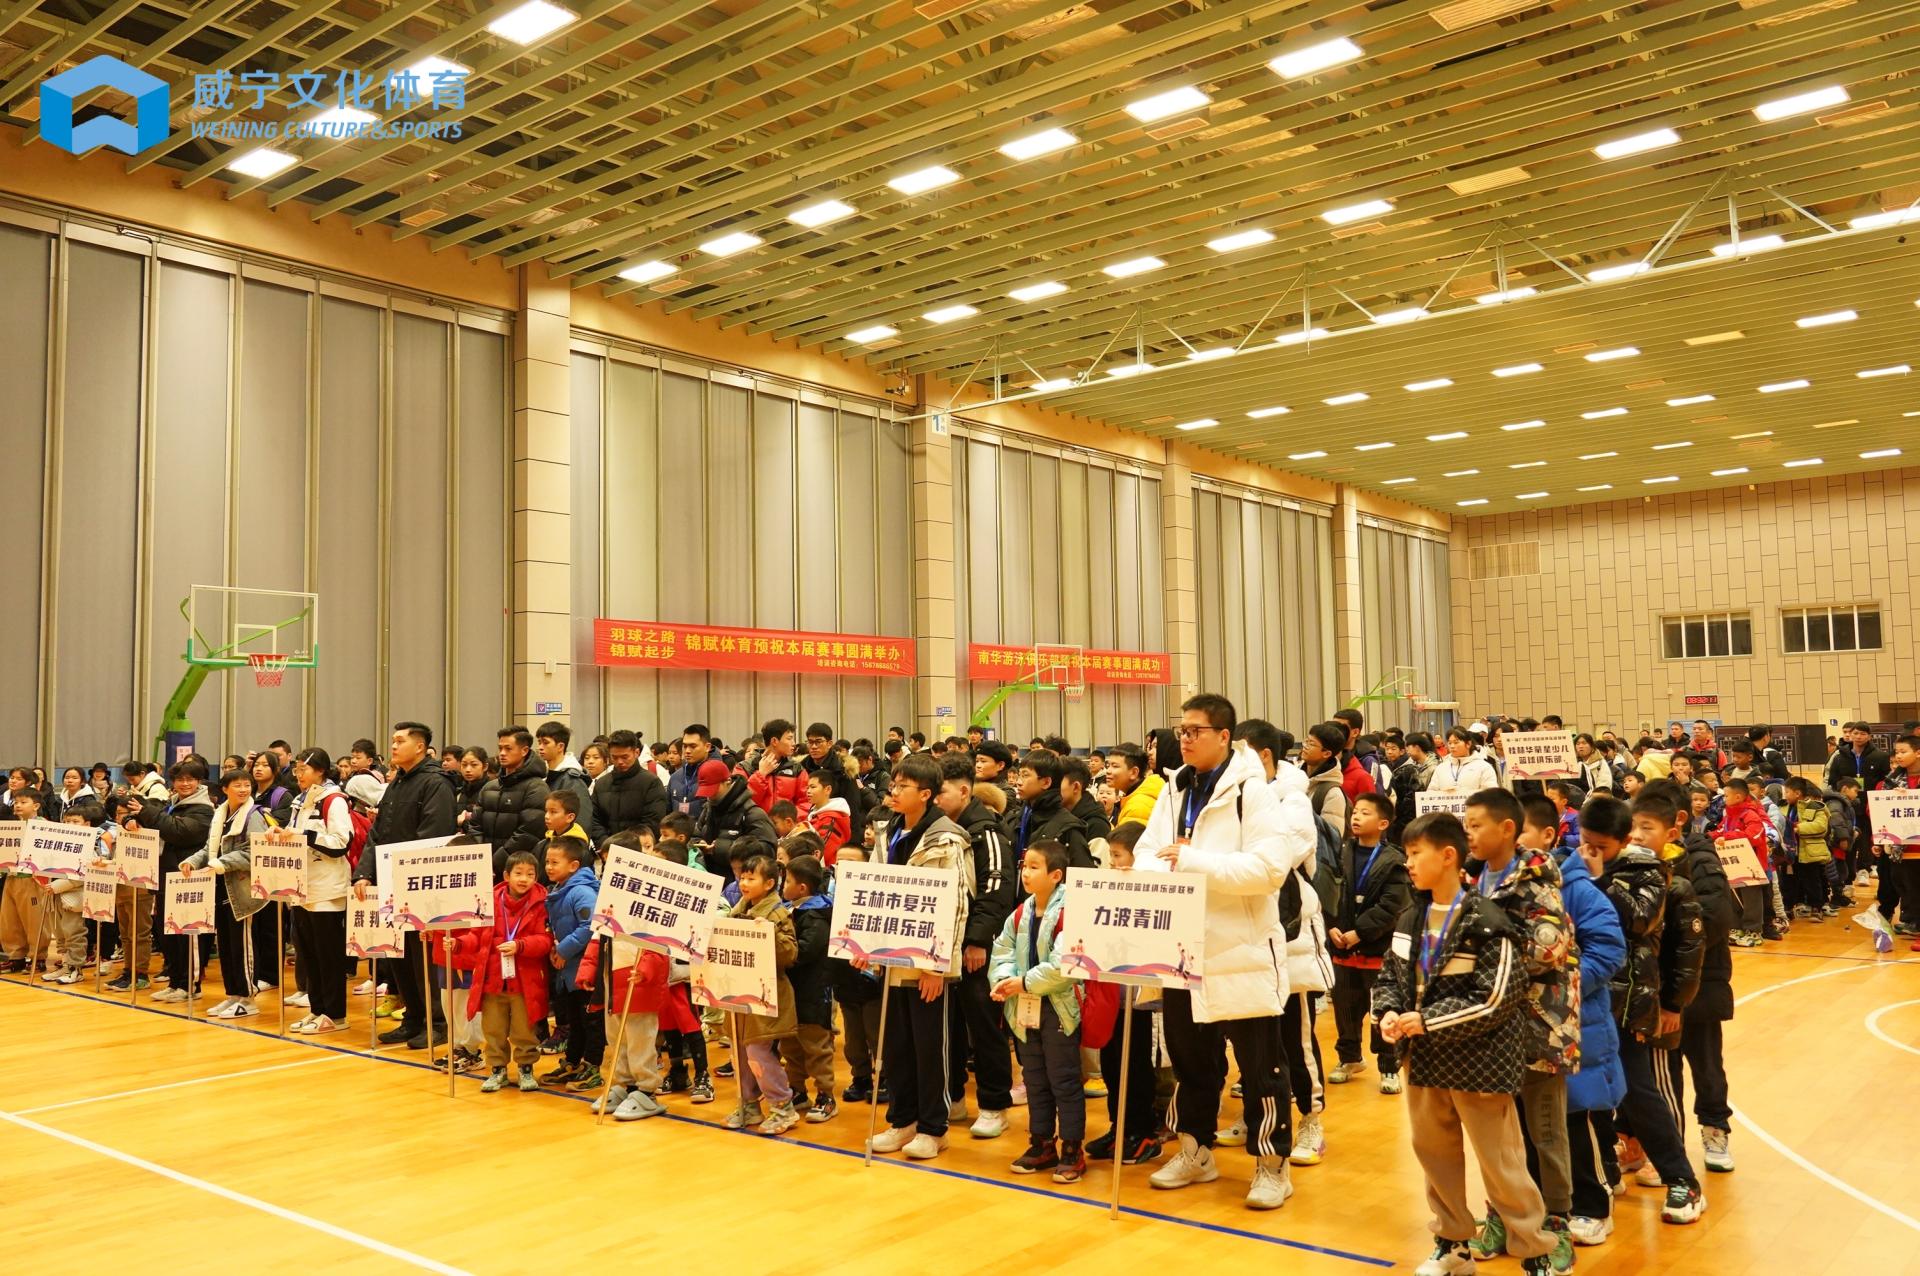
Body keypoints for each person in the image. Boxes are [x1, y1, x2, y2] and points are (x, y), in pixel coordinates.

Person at [1372, 812, 1556, 1276]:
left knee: (1502, 1164)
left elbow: (1496, 998)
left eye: (1416, 854)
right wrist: (1387, 1012)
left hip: (1480, 1063)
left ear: (1448, 856)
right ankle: (1453, 1244)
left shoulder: (1488, 921)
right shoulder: (1410, 917)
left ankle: (1535, 1252)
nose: (1408, 863)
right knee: (1434, 1157)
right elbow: (1390, 976)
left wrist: (1427, 1020)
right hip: (1423, 1061)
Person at [1135, 693, 1297, 1212]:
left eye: (1195, 731)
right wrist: (1172, 867)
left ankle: (1272, 1164)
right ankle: (1195, 1150)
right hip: (1183, 948)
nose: (1183, 739)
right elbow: (1146, 854)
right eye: (1180, 730)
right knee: (1191, 1062)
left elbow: (1268, 870)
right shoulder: (1175, 787)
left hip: (1241, 948)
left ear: (1224, 736)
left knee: (1261, 1069)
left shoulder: (1254, 791)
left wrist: (1191, 861)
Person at [1460, 789, 1577, 1270]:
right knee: (1495, 1137)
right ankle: (1501, 1216)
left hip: (1539, 1027)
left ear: (1507, 829)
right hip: (1489, 1028)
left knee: (1545, 1133)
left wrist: (1486, 948)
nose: (1468, 834)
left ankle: (1556, 1224)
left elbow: (1547, 950)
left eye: (1476, 825)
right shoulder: (1471, 878)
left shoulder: (1537, 881)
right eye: (1465, 825)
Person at [1592, 792, 1707, 1224]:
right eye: (1633, 828)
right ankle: (1605, 1169)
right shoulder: (1581, 869)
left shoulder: (1660, 878)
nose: (1639, 836)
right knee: (1593, 1095)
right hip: (1591, 1002)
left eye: (1646, 828)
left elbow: (1684, 948)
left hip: (1636, 1004)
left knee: (1643, 1091)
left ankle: (1680, 1177)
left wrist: (1674, 1003)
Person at [865, 754, 976, 1162]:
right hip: (892, 958)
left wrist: (937, 966)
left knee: (930, 1048)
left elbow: (956, 905)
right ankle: (903, 1120)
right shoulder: (888, 833)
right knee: (897, 1046)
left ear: (926, 794)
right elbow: (873, 892)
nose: (893, 792)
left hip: (928, 963)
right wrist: (865, 947)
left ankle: (934, 1128)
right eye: (892, 785)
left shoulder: (947, 839)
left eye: (903, 786)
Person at [990, 837, 1087, 1184]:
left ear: (1056, 875)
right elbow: (1001, 952)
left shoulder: (1071, 911)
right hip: (1024, 1007)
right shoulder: (1021, 913)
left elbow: (1064, 965)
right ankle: (1042, 1143)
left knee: (1063, 1079)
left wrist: (1023, 982)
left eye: (1034, 867)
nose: (1026, 874)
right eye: (1024, 866)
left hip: (1058, 1008)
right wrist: (1003, 980)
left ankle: (1072, 1150)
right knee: (1034, 1079)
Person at [354, 722, 456, 1049]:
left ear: (420, 746)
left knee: (422, 957)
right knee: (397, 954)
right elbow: (377, 833)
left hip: (419, 885)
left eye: (400, 741)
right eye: (393, 740)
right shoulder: (397, 782)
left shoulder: (435, 783)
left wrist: (403, 874)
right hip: (391, 882)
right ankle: (412, 1017)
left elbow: (433, 836)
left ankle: (437, 1022)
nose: (394, 746)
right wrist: (364, 872)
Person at [933, 753, 1017, 1140]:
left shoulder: (986, 831)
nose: (936, 798)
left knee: (984, 1026)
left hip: (977, 949)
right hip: (944, 947)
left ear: (964, 791)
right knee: (948, 1025)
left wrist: (978, 939)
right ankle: (952, 1097)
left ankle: (994, 1105)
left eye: (942, 791)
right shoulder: (939, 830)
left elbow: (997, 889)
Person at [450, 848, 552, 1093]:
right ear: (506, 876)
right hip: (492, 980)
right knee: (493, 1029)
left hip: (525, 982)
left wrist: (521, 945)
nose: (524, 879)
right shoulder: (488, 902)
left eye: (530, 874)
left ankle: (526, 1069)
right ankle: (498, 1070)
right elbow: (476, 936)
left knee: (524, 1029)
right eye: (519, 873)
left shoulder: (542, 904)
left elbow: (545, 941)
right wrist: (459, 944)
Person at [1329, 791, 1411, 1092]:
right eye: (1355, 812)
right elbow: (1329, 894)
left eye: (1365, 813)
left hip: (1377, 952)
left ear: (1383, 823)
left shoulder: (1395, 861)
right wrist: (1333, 927)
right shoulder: (1340, 852)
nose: (1356, 817)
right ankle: (1349, 1058)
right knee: (1345, 1010)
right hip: (1342, 950)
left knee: (1382, 1011)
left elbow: (1391, 907)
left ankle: (1389, 1067)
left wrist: (1359, 933)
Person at [723, 852, 804, 1135]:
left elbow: (790, 954)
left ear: (769, 883)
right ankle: (748, 1104)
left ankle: (783, 1107)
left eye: (751, 878)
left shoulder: (777, 914)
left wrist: (769, 934)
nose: (744, 883)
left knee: (759, 1054)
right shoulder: (737, 910)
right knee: (739, 1052)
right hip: (737, 993)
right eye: (742, 877)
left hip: (765, 995)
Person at [178, 769, 269, 1017]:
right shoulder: (221, 813)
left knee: (242, 947)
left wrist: (221, 863)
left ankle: (248, 999)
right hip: (220, 889)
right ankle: (233, 996)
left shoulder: (254, 815)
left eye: (247, 785)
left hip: (242, 891)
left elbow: (254, 851)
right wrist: (192, 861)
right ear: (225, 789)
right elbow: (211, 847)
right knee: (227, 947)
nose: (243, 789)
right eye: (237, 785)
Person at [131, 759, 216, 1003]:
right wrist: (131, 820)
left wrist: (147, 812)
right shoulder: (173, 804)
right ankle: (175, 982)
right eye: (180, 779)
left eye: (190, 779)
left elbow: (179, 832)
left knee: (189, 934)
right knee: (169, 933)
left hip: (189, 879)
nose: (185, 784)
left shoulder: (204, 809)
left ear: (199, 782)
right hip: (166, 876)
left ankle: (191, 985)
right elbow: (156, 823)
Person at [286, 749, 353, 1034]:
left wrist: (304, 836)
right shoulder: (301, 800)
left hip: (327, 889)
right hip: (302, 887)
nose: (299, 775)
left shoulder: (334, 800)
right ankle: (317, 1009)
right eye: (296, 770)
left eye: (304, 769)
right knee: (309, 954)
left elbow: (341, 842)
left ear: (321, 771)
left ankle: (335, 1014)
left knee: (328, 956)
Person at [540, 836, 604, 1093]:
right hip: (568, 970)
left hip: (586, 969)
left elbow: (591, 926)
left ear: (574, 865)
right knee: (575, 1021)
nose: (548, 867)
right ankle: (573, 1062)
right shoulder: (559, 889)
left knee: (591, 1021)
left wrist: (563, 949)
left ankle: (593, 1067)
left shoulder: (582, 892)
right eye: (547, 861)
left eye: (555, 862)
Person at [779, 852, 837, 1123]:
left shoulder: (817, 916)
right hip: (791, 993)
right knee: (791, 1046)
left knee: (816, 1048)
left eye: (787, 881)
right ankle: (798, 1091)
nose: (783, 885)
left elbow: (802, 952)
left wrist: (778, 948)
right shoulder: (790, 910)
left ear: (802, 888)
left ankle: (826, 1096)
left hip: (813, 993)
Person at [475, 726, 552, 879]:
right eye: (500, 748)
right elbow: (475, 825)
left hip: (516, 871)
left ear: (524, 751)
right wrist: (479, 858)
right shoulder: (489, 787)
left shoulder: (536, 787)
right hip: (482, 867)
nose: (502, 753)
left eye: (508, 748)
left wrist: (496, 863)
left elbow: (528, 834)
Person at [1009, 749, 1093, 869]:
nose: (1018, 782)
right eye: (1019, 775)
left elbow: (1082, 873)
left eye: (1025, 775)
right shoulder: (1018, 818)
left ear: (1046, 782)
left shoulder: (1067, 827)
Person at [592, 728, 669, 840]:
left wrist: (628, 845)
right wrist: (605, 843)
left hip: (639, 847)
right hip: (607, 846)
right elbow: (595, 820)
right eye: (614, 757)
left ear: (636, 753)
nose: (620, 762)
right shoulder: (601, 784)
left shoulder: (651, 783)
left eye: (625, 757)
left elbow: (653, 822)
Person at [535, 721, 599, 840]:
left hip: (565, 846)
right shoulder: (544, 776)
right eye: (539, 742)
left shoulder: (572, 780)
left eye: (545, 743)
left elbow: (582, 821)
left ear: (560, 746)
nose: (540, 747)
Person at [748, 718, 811, 820]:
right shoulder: (747, 767)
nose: (793, 743)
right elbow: (745, 802)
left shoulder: (797, 769)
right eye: (789, 738)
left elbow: (805, 802)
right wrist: (761, 774)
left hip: (788, 827)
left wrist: (788, 821)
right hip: (757, 826)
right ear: (774, 741)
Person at [1302, 721, 1352, 837]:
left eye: (1311, 744)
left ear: (1326, 753)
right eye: (1306, 741)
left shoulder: (1332, 793)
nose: (1305, 746)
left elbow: (1332, 838)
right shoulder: (1294, 777)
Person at [1105, 743, 1164, 829]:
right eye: (1108, 766)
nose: (1108, 771)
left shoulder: (1138, 806)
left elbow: (1126, 837)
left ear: (1134, 772)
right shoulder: (1137, 796)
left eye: (1115, 766)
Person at [804, 765, 854, 866]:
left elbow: (823, 852)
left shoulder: (832, 819)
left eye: (813, 787)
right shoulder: (814, 814)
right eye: (807, 787)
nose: (808, 791)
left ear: (827, 789)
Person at [1429, 727, 1500, 795]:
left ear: (1468, 744)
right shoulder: (1441, 768)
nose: (1452, 746)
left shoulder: (1483, 767)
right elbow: (1431, 793)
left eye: (1456, 742)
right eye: (1450, 743)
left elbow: (1491, 794)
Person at [1060, 756, 1111, 844]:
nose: (1050, 787)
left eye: (1057, 782)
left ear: (1076, 787)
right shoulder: (1057, 814)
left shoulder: (1096, 825)